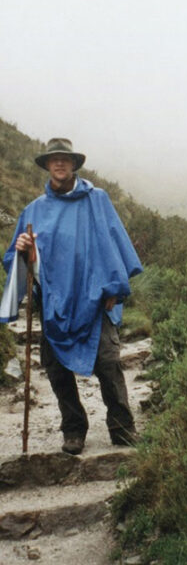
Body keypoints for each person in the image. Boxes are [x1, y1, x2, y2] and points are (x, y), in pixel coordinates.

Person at [0, 138, 143, 455]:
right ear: (48, 165)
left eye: (65, 159)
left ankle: (122, 428)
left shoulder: (97, 200)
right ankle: (74, 430)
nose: (60, 164)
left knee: (108, 363)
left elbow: (112, 242)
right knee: (55, 368)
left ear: (74, 164)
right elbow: (17, 261)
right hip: (55, 304)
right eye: (54, 160)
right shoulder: (34, 210)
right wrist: (24, 252)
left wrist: (114, 289)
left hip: (95, 299)